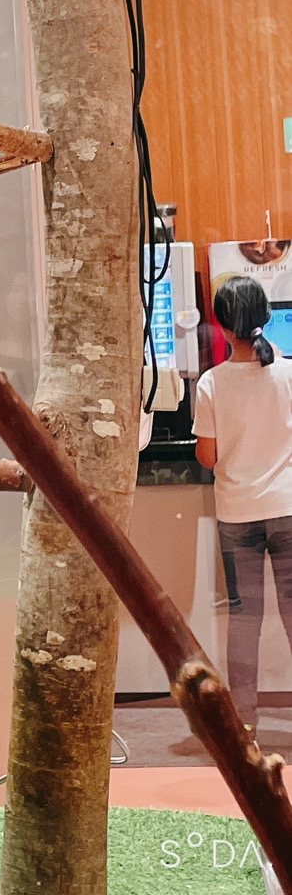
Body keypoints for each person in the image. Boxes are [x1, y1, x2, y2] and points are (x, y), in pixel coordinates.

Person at [193, 275, 292, 731]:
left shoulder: (212, 384)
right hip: (288, 507)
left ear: (221, 325)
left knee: (244, 618)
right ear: (266, 317)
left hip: (237, 514)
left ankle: (244, 725)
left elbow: (208, 456)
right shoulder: (290, 373)